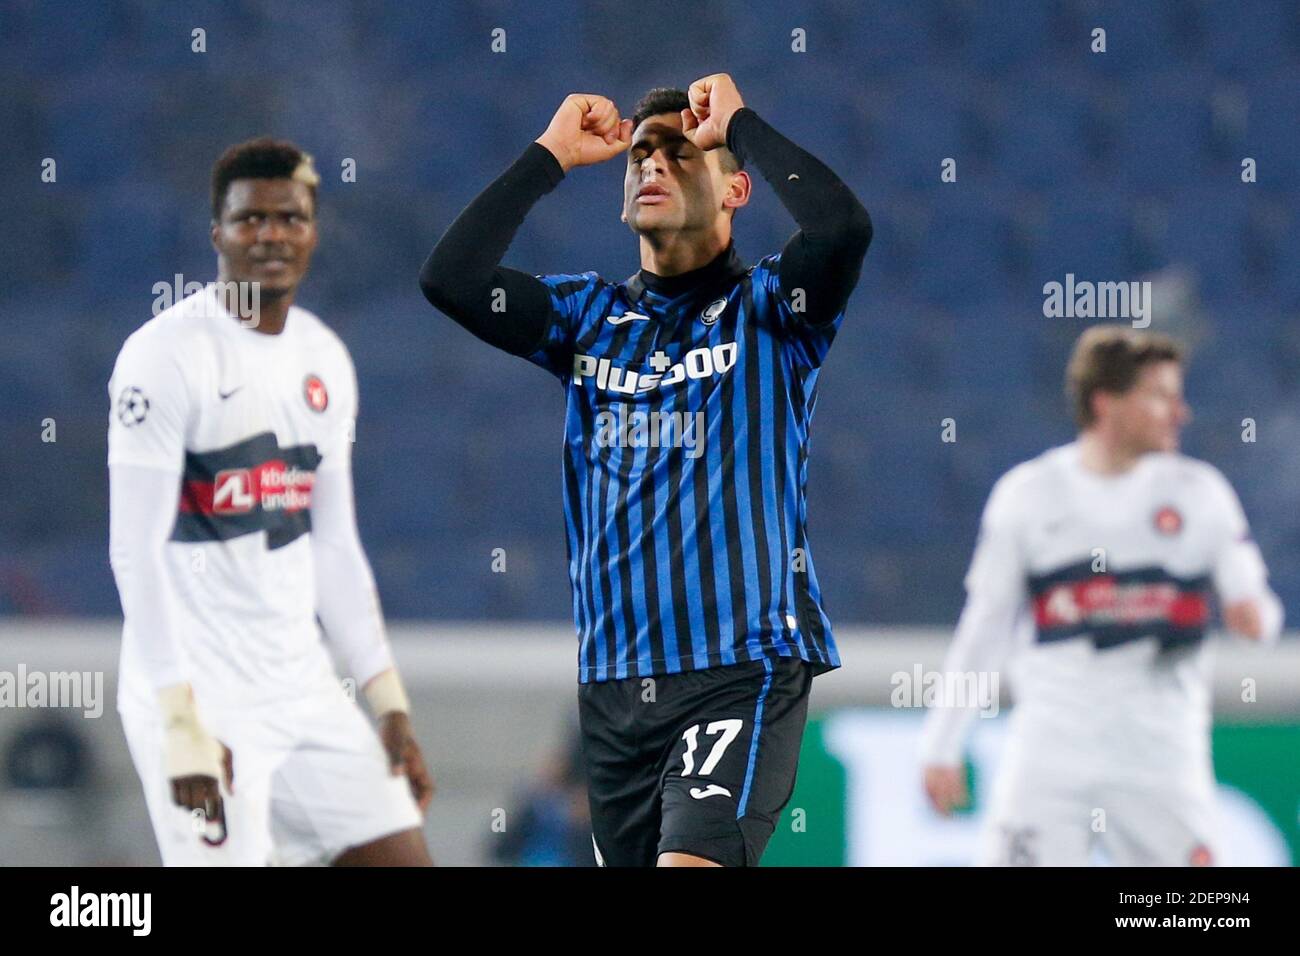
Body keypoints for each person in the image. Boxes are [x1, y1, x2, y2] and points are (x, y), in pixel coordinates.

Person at [420, 74, 871, 866]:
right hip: (615, 687)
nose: (652, 167)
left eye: (679, 153)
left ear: (736, 188)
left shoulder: (773, 310)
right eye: (640, 156)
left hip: (741, 666)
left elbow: (842, 229)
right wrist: (549, 155)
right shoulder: (586, 320)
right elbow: (450, 279)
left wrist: (741, 122)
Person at [108, 137, 433, 866]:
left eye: (289, 218)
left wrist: (387, 703)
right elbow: (134, 548)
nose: (271, 236)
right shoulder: (164, 357)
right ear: (216, 232)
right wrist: (180, 719)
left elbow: (335, 546)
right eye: (250, 220)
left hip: (302, 686)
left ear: (314, 231)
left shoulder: (323, 358)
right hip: (201, 698)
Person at [920, 325, 1283, 866]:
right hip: (1051, 758)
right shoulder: (1029, 496)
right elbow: (985, 630)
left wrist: (1255, 619)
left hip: (1161, 762)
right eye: (1160, 396)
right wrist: (941, 743)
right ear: (1106, 402)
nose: (1179, 412)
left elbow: (1260, 608)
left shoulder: (1200, 494)